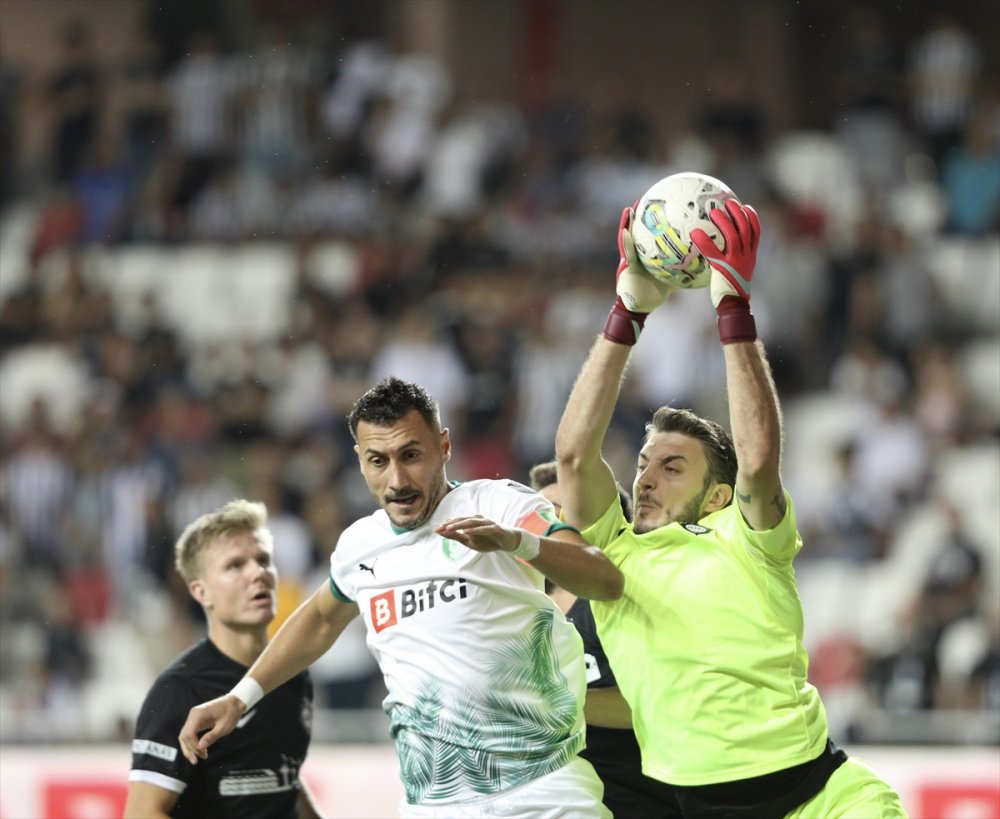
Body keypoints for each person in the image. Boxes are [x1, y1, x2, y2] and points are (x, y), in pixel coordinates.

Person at [553, 198, 908, 818]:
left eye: (671, 467)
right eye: (642, 465)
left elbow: (759, 459)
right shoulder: (613, 552)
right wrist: (626, 313)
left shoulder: (747, 539)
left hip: (819, 797)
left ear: (717, 496)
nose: (645, 479)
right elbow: (574, 458)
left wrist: (732, 310)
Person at [178, 377, 624, 818]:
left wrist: (517, 543)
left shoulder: (499, 505)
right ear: (360, 460)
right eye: (378, 460)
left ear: (444, 447)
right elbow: (319, 619)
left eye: (411, 455)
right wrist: (239, 698)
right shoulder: (361, 546)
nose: (397, 479)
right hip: (431, 805)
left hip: (542, 793)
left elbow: (604, 579)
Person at [125, 499, 322, 819]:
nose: (257, 573)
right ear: (201, 592)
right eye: (235, 565)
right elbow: (142, 814)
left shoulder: (293, 675)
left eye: (263, 559)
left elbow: (283, 780)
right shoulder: (180, 689)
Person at [529, 461, 678, 819]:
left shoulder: (627, 599)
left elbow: (662, 705)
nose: (548, 524)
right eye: (538, 514)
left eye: (562, 513)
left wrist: (548, 706)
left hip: (646, 802)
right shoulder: (520, 613)